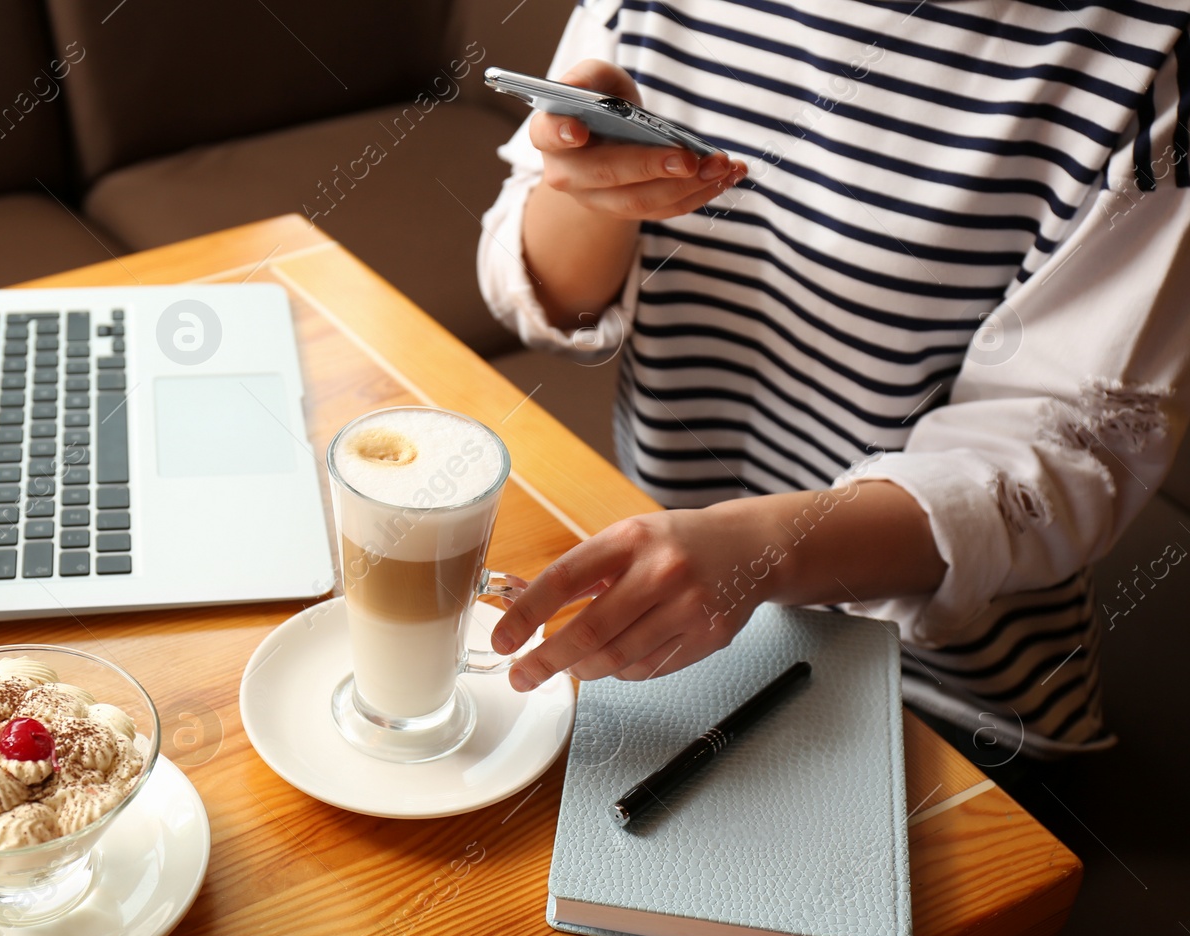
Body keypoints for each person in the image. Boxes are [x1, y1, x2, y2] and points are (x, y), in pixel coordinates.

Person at [479, 0, 1190, 756]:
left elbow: (1068, 455)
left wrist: (768, 551)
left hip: (937, 695)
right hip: (643, 611)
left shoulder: (1149, 51)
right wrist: (591, 190)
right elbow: (538, 293)